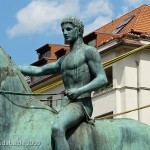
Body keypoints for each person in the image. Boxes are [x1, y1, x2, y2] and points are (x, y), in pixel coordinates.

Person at [19, 17, 108, 150]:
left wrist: (79, 91)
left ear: (78, 31)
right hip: (65, 104)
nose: (64, 33)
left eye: (68, 29)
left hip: (81, 103)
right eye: (63, 30)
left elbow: (102, 78)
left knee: (57, 127)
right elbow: (39, 70)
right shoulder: (63, 60)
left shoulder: (89, 51)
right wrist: (15, 67)